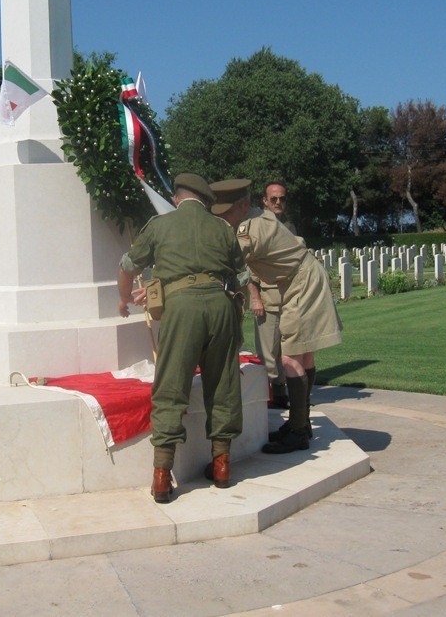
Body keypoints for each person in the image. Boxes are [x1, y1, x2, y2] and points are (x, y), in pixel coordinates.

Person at [117, 173, 248, 502]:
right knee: (223, 385)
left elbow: (128, 267)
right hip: (221, 306)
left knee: (171, 386)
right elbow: (242, 277)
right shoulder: (222, 228)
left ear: (177, 198)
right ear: (205, 200)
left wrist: (123, 299)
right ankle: (222, 465)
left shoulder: (160, 226)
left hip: (181, 310)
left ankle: (162, 475)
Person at [209, 179, 342, 454]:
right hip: (301, 278)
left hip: (300, 283)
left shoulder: (250, 229)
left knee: (290, 358)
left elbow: (227, 261)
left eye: (227, 211)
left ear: (243, 205)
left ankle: (298, 432)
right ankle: (301, 422)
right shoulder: (256, 217)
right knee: (304, 356)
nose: (223, 217)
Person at [252, 182, 297, 410]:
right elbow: (248, 265)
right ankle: (264, 396)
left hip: (290, 298)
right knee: (267, 352)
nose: (278, 202)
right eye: (273, 199)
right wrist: (255, 297)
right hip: (267, 299)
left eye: (282, 198)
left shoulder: (289, 227)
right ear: (265, 201)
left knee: (288, 351)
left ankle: (280, 394)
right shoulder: (257, 226)